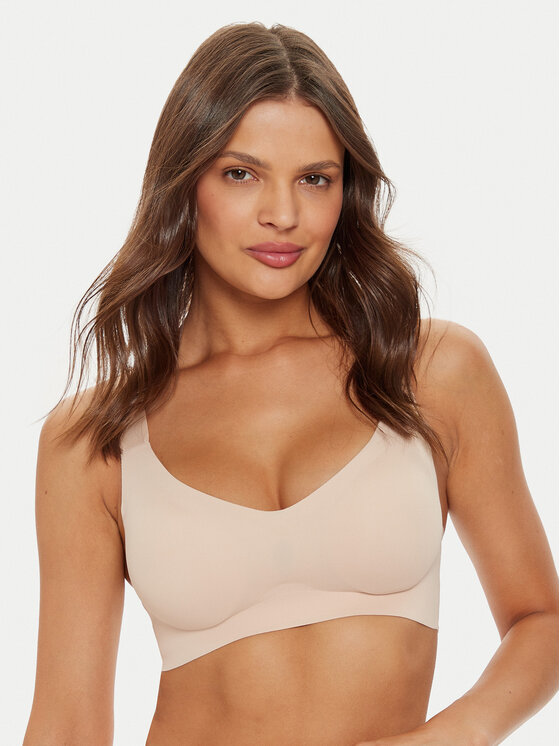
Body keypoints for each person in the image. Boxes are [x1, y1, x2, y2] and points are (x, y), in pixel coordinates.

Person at [23, 21, 557, 746]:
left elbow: (540, 621)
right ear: (185, 185)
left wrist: (446, 739)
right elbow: (67, 726)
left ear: (345, 190)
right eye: (241, 174)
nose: (283, 214)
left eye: (315, 178)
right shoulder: (95, 442)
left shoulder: (430, 372)